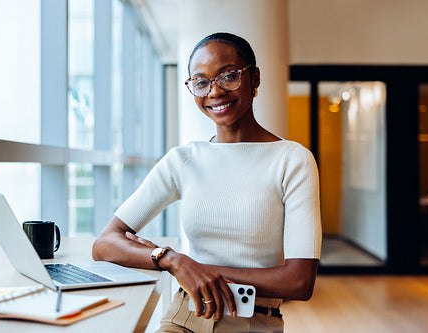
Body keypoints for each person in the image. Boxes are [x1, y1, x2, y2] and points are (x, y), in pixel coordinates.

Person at [92, 32, 322, 333]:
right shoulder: (183, 160)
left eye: (228, 76)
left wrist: (199, 270)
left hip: (253, 322)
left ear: (253, 78)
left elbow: (299, 282)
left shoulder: (293, 160)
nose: (215, 91)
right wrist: (173, 261)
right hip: (185, 316)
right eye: (201, 82)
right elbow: (105, 243)